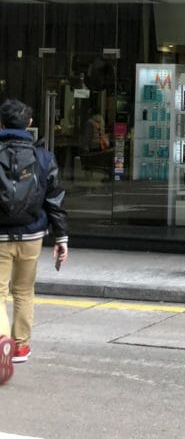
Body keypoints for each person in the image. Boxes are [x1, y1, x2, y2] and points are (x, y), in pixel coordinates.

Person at [0, 99, 69, 383]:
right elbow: (54, 199)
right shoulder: (44, 158)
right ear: (29, 124)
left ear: (1, 125)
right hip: (32, 235)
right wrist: (61, 236)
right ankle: (21, 345)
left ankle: (1, 340)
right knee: (24, 291)